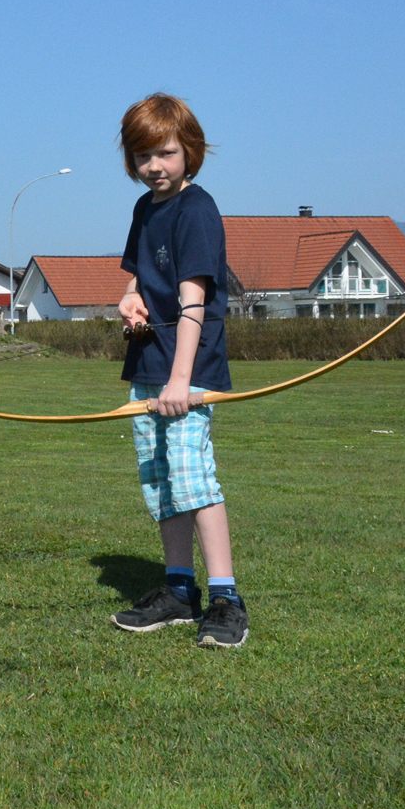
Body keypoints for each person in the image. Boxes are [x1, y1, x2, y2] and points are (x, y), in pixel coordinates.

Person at [110, 92, 248, 649]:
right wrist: (130, 299)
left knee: (194, 479)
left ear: (189, 150)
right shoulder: (145, 209)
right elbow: (139, 278)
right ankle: (178, 590)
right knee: (161, 480)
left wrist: (179, 383)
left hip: (185, 370)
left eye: (165, 153)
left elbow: (194, 303)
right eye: (143, 156)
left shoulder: (197, 210)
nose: (154, 167)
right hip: (149, 360)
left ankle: (226, 599)